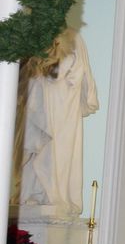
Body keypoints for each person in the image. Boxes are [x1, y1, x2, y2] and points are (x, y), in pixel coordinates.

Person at [17, 27, 98, 218]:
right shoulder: (34, 34)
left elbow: (76, 72)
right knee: (35, 147)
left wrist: (50, 66)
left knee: (56, 149)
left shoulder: (73, 36)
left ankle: (50, 194)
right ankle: (32, 193)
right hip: (39, 99)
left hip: (62, 105)